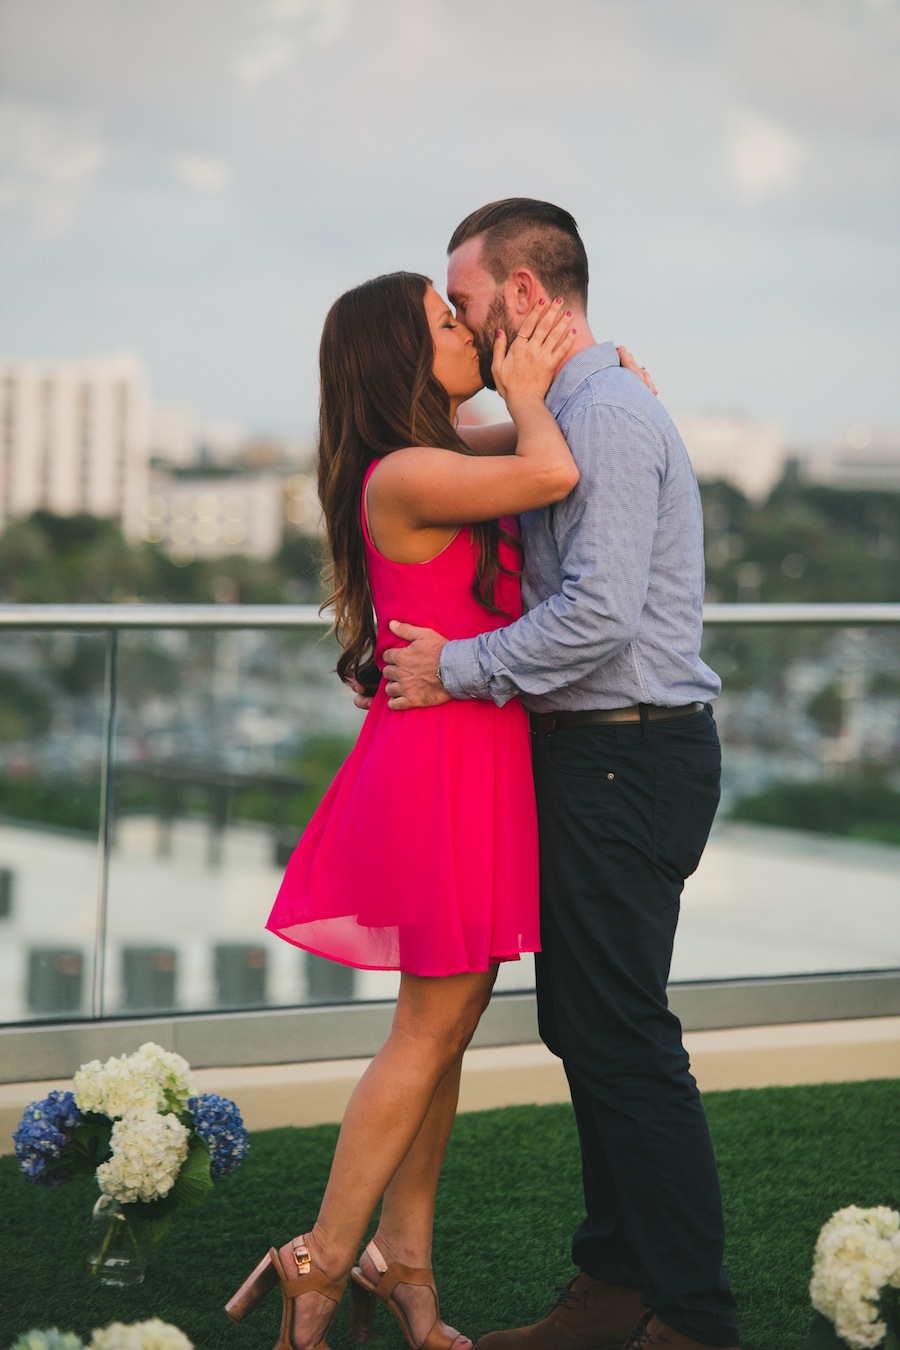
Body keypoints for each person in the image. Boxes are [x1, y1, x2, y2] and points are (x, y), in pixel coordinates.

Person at [381, 201, 742, 1350]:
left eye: (470, 304)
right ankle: (613, 1287)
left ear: (526, 297)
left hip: (628, 754)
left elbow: (597, 614)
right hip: (598, 755)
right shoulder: (569, 410)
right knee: (588, 1029)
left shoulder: (608, 412)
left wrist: (457, 668)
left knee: (622, 1035)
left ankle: (693, 1318)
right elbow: (437, 466)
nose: (467, 326)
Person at [223, 271, 584, 1350]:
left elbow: (541, 447)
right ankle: (319, 1266)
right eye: (446, 321)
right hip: (441, 770)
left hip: (466, 758)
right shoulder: (408, 473)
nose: (469, 328)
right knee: (431, 1027)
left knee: (452, 1024)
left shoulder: (427, 458)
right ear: (402, 358)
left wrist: (565, 387)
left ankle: (406, 1270)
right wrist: (529, 394)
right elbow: (554, 467)